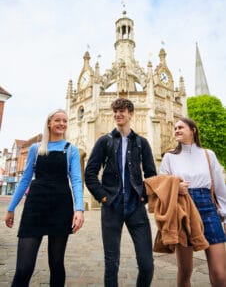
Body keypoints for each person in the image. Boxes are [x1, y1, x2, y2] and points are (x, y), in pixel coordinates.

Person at [5, 108, 84, 287]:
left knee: (56, 264)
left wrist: (79, 209)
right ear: (49, 123)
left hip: (61, 207)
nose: (62, 124)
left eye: (65, 121)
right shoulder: (35, 148)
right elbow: (25, 180)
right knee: (23, 268)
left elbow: (77, 181)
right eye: (58, 120)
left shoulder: (71, 150)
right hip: (35, 207)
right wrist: (11, 208)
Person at [85, 98, 156, 287]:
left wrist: (145, 196)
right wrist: (103, 196)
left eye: (122, 111)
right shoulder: (104, 141)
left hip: (136, 207)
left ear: (131, 114)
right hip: (112, 206)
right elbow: (90, 173)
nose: (117, 115)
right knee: (111, 263)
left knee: (147, 264)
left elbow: (151, 174)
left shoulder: (142, 143)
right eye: (115, 111)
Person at [159, 117, 226, 287]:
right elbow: (160, 186)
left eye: (181, 127)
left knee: (220, 273)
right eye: (175, 128)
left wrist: (224, 215)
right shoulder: (169, 157)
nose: (176, 130)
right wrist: (176, 187)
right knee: (185, 271)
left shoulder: (208, 154)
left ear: (193, 130)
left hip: (208, 209)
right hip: (183, 210)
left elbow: (219, 187)